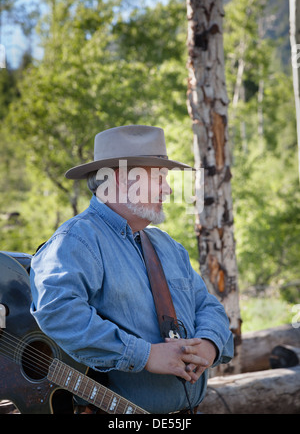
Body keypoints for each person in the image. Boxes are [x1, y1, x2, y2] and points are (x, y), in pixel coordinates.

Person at [30, 124, 233, 414]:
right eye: (158, 178)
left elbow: (208, 305)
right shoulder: (76, 240)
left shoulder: (168, 247)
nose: (168, 189)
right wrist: (145, 355)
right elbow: (57, 311)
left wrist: (210, 345)